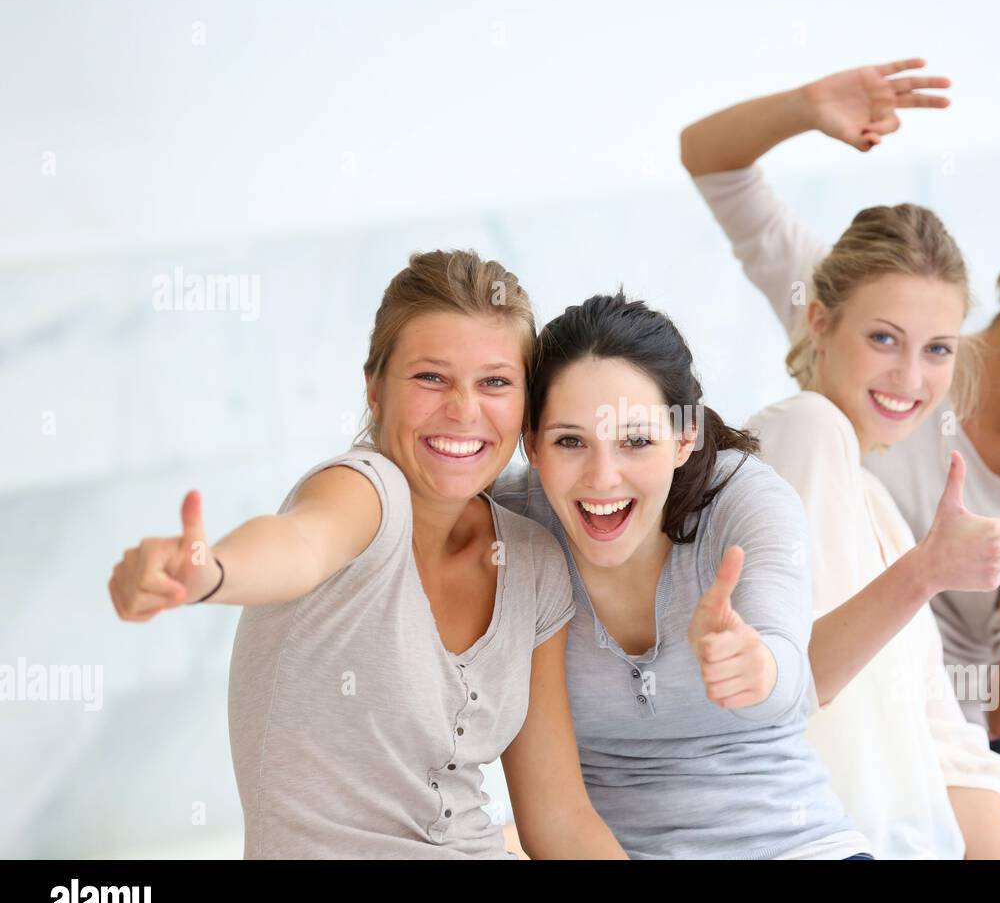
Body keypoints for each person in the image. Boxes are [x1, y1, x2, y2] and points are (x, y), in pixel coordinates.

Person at [683, 59, 1000, 859]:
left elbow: (993, 720)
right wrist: (806, 107)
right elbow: (712, 160)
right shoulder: (877, 314)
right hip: (845, 751)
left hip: (956, 755)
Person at [109, 249, 625, 859]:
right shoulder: (364, 494)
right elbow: (301, 543)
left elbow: (560, 819)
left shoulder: (534, 561)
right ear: (375, 389)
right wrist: (213, 572)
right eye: (431, 377)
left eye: (495, 383)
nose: (464, 409)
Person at [493, 292, 873, 859]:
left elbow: (790, 678)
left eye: (637, 441)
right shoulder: (508, 524)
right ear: (532, 445)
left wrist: (757, 668)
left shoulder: (746, 499)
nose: (602, 478)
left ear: (684, 438)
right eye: (570, 441)